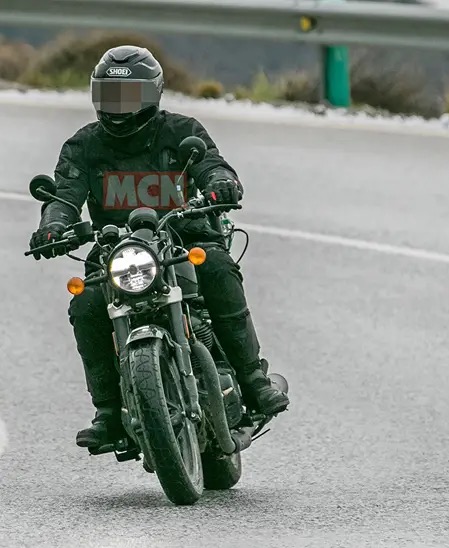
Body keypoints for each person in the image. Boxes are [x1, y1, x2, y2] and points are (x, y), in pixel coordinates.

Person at [29, 45, 290, 449]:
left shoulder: (182, 132)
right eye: (109, 97)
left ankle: (253, 380)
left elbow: (213, 165)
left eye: (128, 97)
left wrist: (221, 183)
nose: (117, 108)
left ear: (152, 95)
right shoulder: (84, 146)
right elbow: (63, 195)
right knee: (87, 302)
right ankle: (109, 412)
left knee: (218, 268)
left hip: (186, 239)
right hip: (117, 249)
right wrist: (53, 226)